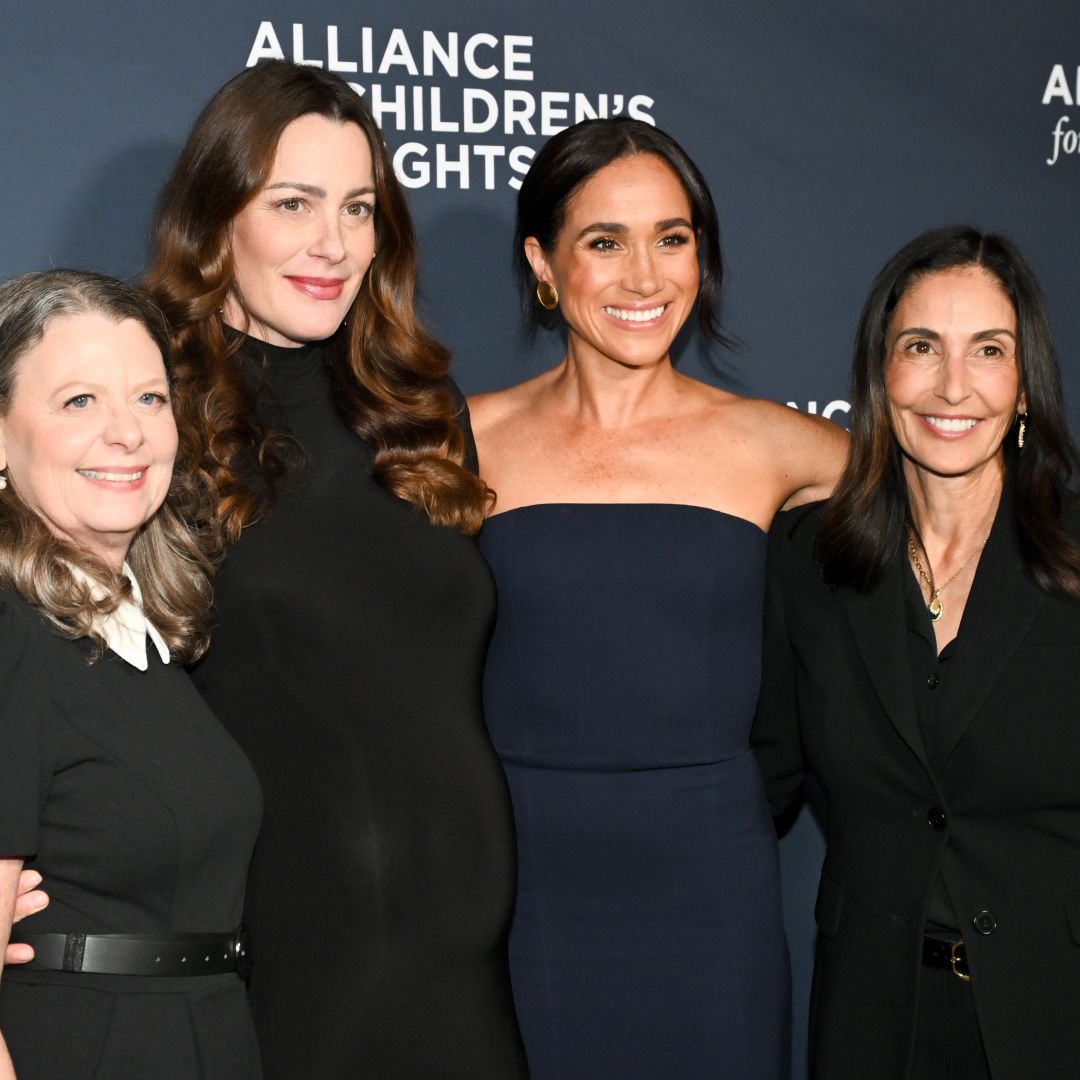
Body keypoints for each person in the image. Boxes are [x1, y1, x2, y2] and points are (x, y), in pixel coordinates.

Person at [141, 61, 527, 1079]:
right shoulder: (151, 415)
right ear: (216, 216)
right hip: (283, 964)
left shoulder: (418, 410)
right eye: (294, 204)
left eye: (358, 207)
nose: (334, 242)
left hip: (464, 965)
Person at [468, 118, 847, 1080]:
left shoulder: (785, 447)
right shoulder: (460, 443)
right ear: (542, 263)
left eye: (671, 239)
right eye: (606, 242)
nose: (645, 278)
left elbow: (961, 520)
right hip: (515, 888)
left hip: (709, 890)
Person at [752, 225, 1080, 1079]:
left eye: (989, 351)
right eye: (921, 346)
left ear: (1025, 384)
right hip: (869, 1019)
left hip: (1054, 1014)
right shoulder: (807, 562)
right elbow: (758, 783)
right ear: (880, 372)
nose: (952, 386)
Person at [0, 269, 261, 1079]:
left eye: (149, 399)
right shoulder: (10, 632)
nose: (127, 434)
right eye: (79, 401)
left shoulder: (139, 636)